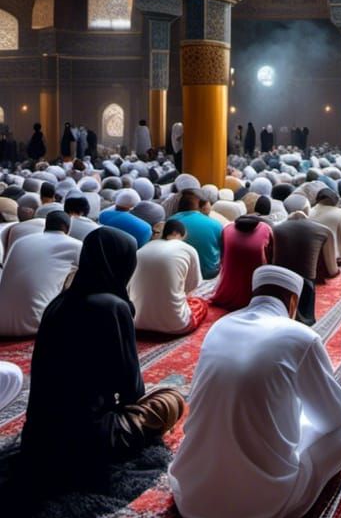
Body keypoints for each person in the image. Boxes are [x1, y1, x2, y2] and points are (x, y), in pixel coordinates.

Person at [169, 264, 341, 518]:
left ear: (255, 293)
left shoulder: (221, 326)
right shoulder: (300, 336)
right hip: (265, 509)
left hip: (191, 496)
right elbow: (335, 419)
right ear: (293, 301)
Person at [19, 229, 185, 493]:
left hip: (38, 436)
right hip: (88, 439)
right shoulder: (113, 308)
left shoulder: (58, 303)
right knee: (170, 400)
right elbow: (133, 391)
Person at [0, 210, 82, 336]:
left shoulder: (20, 241)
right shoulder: (75, 245)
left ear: (46, 225)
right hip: (37, 324)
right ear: (67, 228)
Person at [130, 218, 208, 334]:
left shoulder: (142, 249)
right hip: (175, 325)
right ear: (176, 233)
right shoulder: (187, 249)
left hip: (136, 321)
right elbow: (193, 285)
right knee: (201, 304)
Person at [272, 211, 338, 325]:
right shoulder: (324, 230)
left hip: (278, 282)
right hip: (307, 284)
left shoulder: (275, 229)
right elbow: (332, 270)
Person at [211, 213, 274, 310]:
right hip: (255, 292)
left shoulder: (227, 229)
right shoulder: (266, 230)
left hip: (227, 290)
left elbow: (222, 257)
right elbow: (271, 258)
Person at [175, 188, 224, 278]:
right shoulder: (216, 225)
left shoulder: (170, 221)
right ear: (202, 206)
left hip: (179, 273)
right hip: (208, 274)